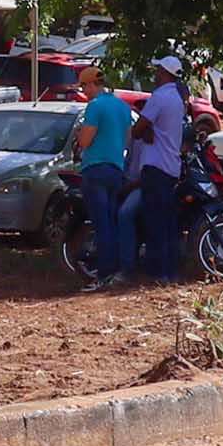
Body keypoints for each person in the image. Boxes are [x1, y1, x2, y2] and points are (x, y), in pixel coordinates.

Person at [133, 54, 196, 282]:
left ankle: (158, 271)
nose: (155, 73)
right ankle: (169, 269)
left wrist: (145, 129)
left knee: (155, 220)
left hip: (155, 165)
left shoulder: (159, 97)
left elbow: (138, 129)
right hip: (170, 165)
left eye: (158, 70)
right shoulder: (178, 97)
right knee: (168, 221)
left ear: (164, 73)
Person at [76, 63, 137, 288]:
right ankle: (119, 270)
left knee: (101, 224)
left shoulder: (95, 106)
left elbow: (85, 141)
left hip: (95, 168)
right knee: (112, 222)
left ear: (93, 84)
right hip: (115, 169)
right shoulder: (121, 106)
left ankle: (104, 274)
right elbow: (128, 138)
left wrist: (79, 136)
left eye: (84, 86)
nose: (83, 91)